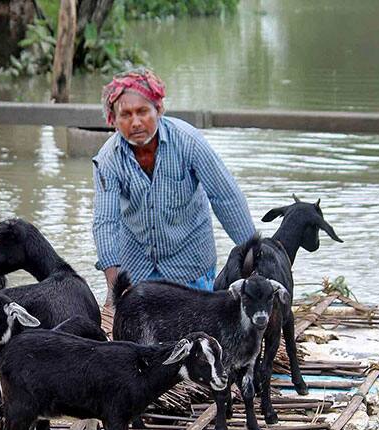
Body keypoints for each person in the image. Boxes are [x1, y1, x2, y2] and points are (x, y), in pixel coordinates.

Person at [91, 68, 256, 303]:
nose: (136, 122)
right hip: (137, 266)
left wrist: (252, 256)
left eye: (143, 112)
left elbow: (225, 197)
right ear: (113, 121)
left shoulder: (189, 142)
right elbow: (105, 222)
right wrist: (114, 284)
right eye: (125, 115)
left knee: (195, 336)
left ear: (158, 110)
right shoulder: (108, 160)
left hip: (190, 263)